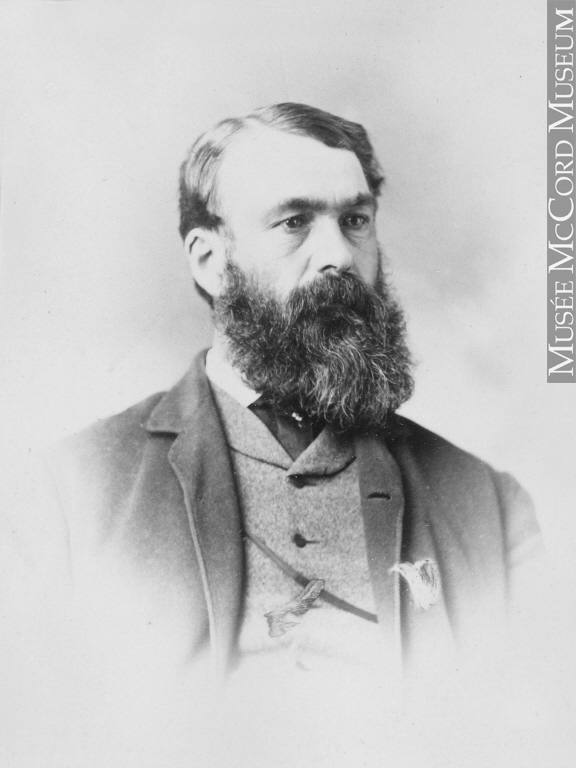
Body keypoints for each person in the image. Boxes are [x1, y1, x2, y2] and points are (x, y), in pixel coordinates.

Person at [37, 103, 542, 759]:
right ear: (210, 261)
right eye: (294, 222)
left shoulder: (491, 509)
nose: (338, 256)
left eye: (355, 221)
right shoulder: (69, 493)